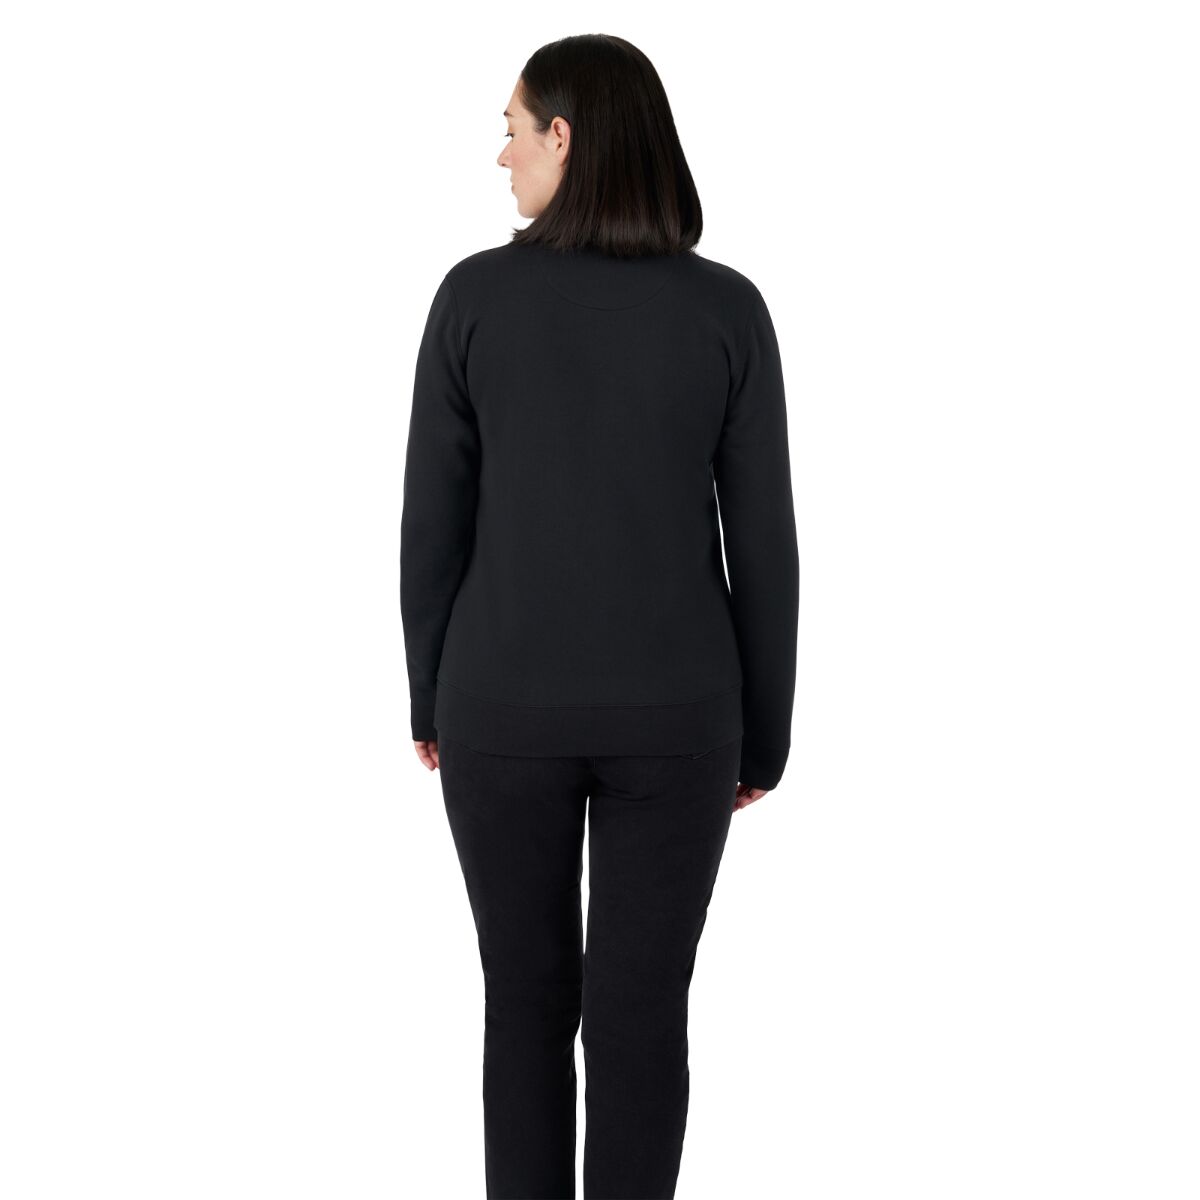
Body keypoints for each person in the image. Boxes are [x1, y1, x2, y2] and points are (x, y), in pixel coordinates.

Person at [400, 33, 799, 1200]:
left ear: (564, 137)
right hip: (680, 721)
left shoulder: (473, 299)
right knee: (641, 1016)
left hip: (498, 710)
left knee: (524, 1007)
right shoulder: (728, 311)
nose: (503, 155)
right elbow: (763, 545)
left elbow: (434, 525)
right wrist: (766, 735)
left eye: (514, 130)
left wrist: (429, 694)